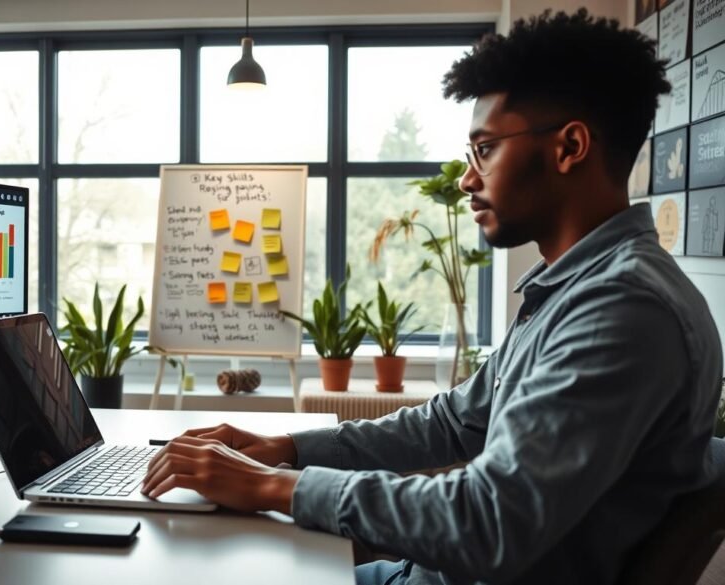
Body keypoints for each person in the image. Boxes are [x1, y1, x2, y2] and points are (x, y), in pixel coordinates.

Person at [141, 9, 724, 585]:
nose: (469, 178)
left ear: (569, 147)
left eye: (485, 149)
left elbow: (489, 521)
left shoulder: (622, 312)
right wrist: (283, 449)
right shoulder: (574, 290)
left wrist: (266, 486)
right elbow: (452, 423)